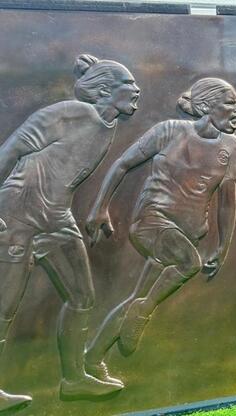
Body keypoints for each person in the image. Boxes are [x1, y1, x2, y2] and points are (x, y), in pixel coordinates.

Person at [84, 78, 236, 387]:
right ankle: (143, 312)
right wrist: (100, 207)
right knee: (189, 264)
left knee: (138, 294)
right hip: (151, 221)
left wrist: (224, 246)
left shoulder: (233, 147)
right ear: (208, 106)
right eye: (230, 104)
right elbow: (122, 164)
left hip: (188, 232)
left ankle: (93, 357)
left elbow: (227, 202)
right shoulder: (169, 130)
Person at [0, 54, 139, 409]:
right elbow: (11, 149)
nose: (137, 89)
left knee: (82, 296)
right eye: (129, 83)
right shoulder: (70, 113)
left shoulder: (107, 124)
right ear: (106, 90)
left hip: (56, 218)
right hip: (17, 214)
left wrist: (93, 68)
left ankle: (74, 380)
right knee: (4, 305)